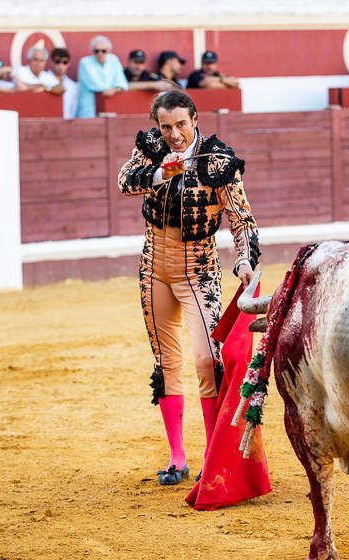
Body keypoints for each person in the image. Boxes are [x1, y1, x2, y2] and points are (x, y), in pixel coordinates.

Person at [117, 90, 260, 486]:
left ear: (195, 119)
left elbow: (242, 220)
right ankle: (177, 458)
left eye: (181, 124)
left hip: (199, 267)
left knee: (206, 360)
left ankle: (213, 459)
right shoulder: (150, 150)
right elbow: (125, 182)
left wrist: (245, 259)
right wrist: (163, 171)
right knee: (167, 361)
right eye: (166, 127)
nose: (174, 134)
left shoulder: (218, 161)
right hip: (153, 267)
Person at [75, 35, 129, 118]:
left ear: (109, 51)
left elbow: (123, 83)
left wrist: (114, 89)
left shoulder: (113, 59)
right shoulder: (85, 62)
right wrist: (115, 89)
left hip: (110, 109)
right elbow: (97, 85)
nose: (100, 54)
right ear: (92, 51)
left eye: (103, 51)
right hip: (88, 111)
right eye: (97, 51)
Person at [47, 48, 79, 119]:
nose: (61, 65)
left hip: (67, 122)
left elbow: (73, 108)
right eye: (57, 62)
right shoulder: (43, 79)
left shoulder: (72, 85)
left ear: (68, 64)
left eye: (65, 62)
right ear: (51, 62)